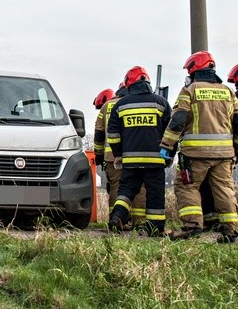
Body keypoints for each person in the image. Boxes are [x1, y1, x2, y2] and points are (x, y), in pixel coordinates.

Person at [160, 52, 238, 242]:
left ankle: (192, 226)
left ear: (193, 69)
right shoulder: (228, 92)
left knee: (186, 186)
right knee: (224, 188)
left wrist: (167, 146)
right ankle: (231, 229)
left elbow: (177, 121)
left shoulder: (190, 90)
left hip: (195, 154)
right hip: (225, 154)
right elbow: (237, 124)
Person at [107, 66, 172, 236]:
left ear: (129, 84)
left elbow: (113, 135)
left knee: (126, 190)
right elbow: (171, 132)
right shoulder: (161, 103)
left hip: (130, 160)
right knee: (155, 192)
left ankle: (117, 216)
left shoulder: (120, 105)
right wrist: (169, 154)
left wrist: (119, 154)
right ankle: (155, 228)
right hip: (156, 161)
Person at [93, 85, 148, 226]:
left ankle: (115, 219)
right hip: (135, 154)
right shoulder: (136, 103)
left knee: (116, 187)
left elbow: (99, 133)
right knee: (139, 187)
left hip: (111, 156)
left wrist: (98, 154)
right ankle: (139, 222)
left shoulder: (107, 106)